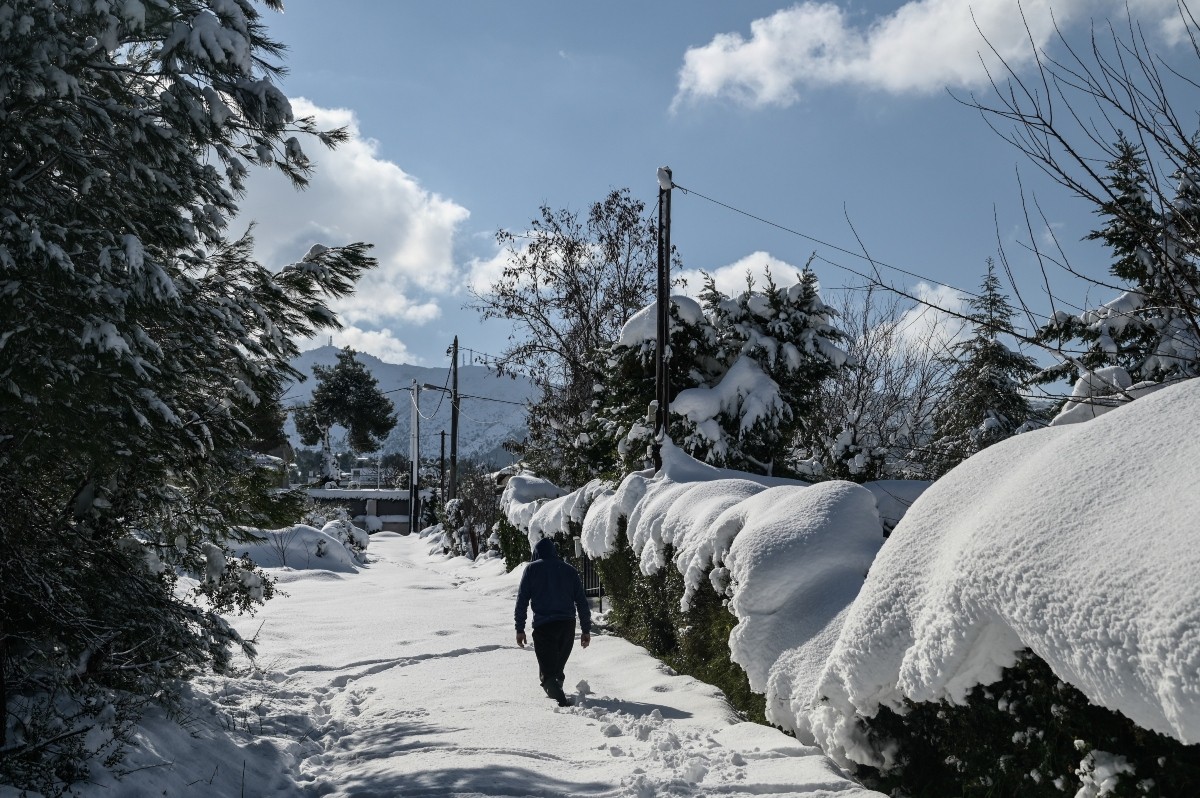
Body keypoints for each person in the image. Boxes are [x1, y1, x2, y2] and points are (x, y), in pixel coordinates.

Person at [514, 537, 592, 706]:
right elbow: (582, 602)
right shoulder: (569, 571)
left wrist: (520, 628)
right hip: (567, 626)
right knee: (557, 668)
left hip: (544, 627)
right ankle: (558, 690)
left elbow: (522, 600)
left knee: (548, 673)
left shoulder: (531, 570)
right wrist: (586, 630)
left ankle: (561, 702)